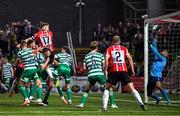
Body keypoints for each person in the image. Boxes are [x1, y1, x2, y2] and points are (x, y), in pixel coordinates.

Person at [102, 35, 147, 111]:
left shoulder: (110, 49)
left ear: (112, 42)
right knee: (132, 89)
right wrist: (132, 69)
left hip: (114, 71)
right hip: (124, 71)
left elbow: (106, 59)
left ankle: (104, 107)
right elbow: (130, 59)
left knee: (107, 88)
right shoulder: (124, 49)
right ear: (119, 41)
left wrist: (106, 70)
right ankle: (141, 104)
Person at [76, 41, 118, 108]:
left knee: (87, 89)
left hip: (91, 75)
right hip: (99, 74)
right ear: (97, 47)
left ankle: (81, 104)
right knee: (108, 88)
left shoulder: (86, 56)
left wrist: (88, 71)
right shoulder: (100, 55)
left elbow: (84, 68)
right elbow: (104, 66)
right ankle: (113, 104)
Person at [16, 40, 45, 106]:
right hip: (34, 69)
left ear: (21, 45)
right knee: (39, 83)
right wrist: (38, 49)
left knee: (21, 85)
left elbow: (19, 61)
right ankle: (39, 100)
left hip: (27, 69)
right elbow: (35, 54)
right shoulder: (31, 50)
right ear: (26, 45)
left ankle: (26, 100)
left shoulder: (19, 53)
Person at [147, 25, 171, 104]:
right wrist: (154, 35)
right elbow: (154, 46)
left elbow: (155, 50)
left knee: (159, 87)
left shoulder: (163, 59)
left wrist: (152, 48)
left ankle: (168, 100)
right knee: (148, 93)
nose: (164, 51)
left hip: (157, 76)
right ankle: (157, 98)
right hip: (151, 76)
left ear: (166, 55)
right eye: (164, 51)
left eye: (166, 52)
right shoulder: (157, 56)